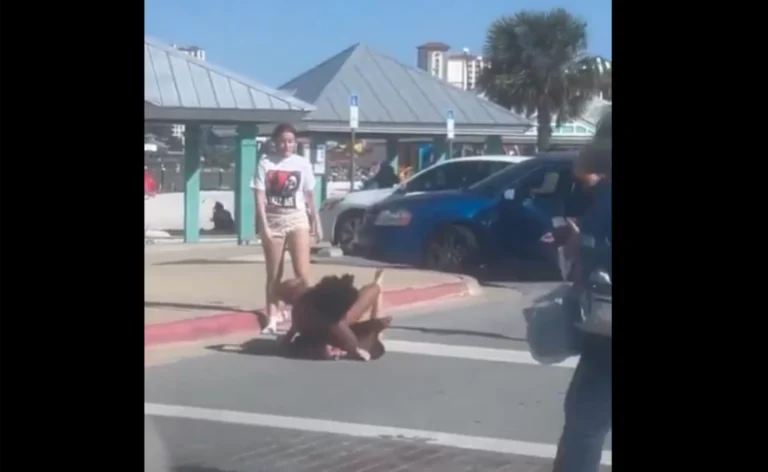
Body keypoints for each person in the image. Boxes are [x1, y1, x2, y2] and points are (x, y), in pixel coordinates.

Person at [552, 116, 612, 472]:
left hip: (604, 332)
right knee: (582, 423)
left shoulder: (603, 196)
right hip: (601, 329)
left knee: (583, 424)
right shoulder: (602, 195)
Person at [252, 123, 320, 334]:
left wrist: (315, 222)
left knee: (302, 274)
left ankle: (303, 314)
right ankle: (272, 316)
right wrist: (263, 226)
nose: (286, 145)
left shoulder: (302, 164)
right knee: (274, 273)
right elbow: (259, 196)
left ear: (295, 143)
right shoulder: (265, 163)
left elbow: (309, 195)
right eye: (282, 141)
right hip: (273, 220)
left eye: (290, 141)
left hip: (297, 219)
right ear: (275, 142)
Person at [274, 269, 390, 361]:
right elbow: (338, 326)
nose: (285, 303)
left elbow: (294, 330)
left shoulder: (301, 309)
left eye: (285, 300)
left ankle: (370, 327)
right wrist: (355, 350)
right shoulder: (306, 306)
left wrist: (284, 342)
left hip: (331, 329)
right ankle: (370, 326)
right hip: (334, 329)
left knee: (370, 291)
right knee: (372, 289)